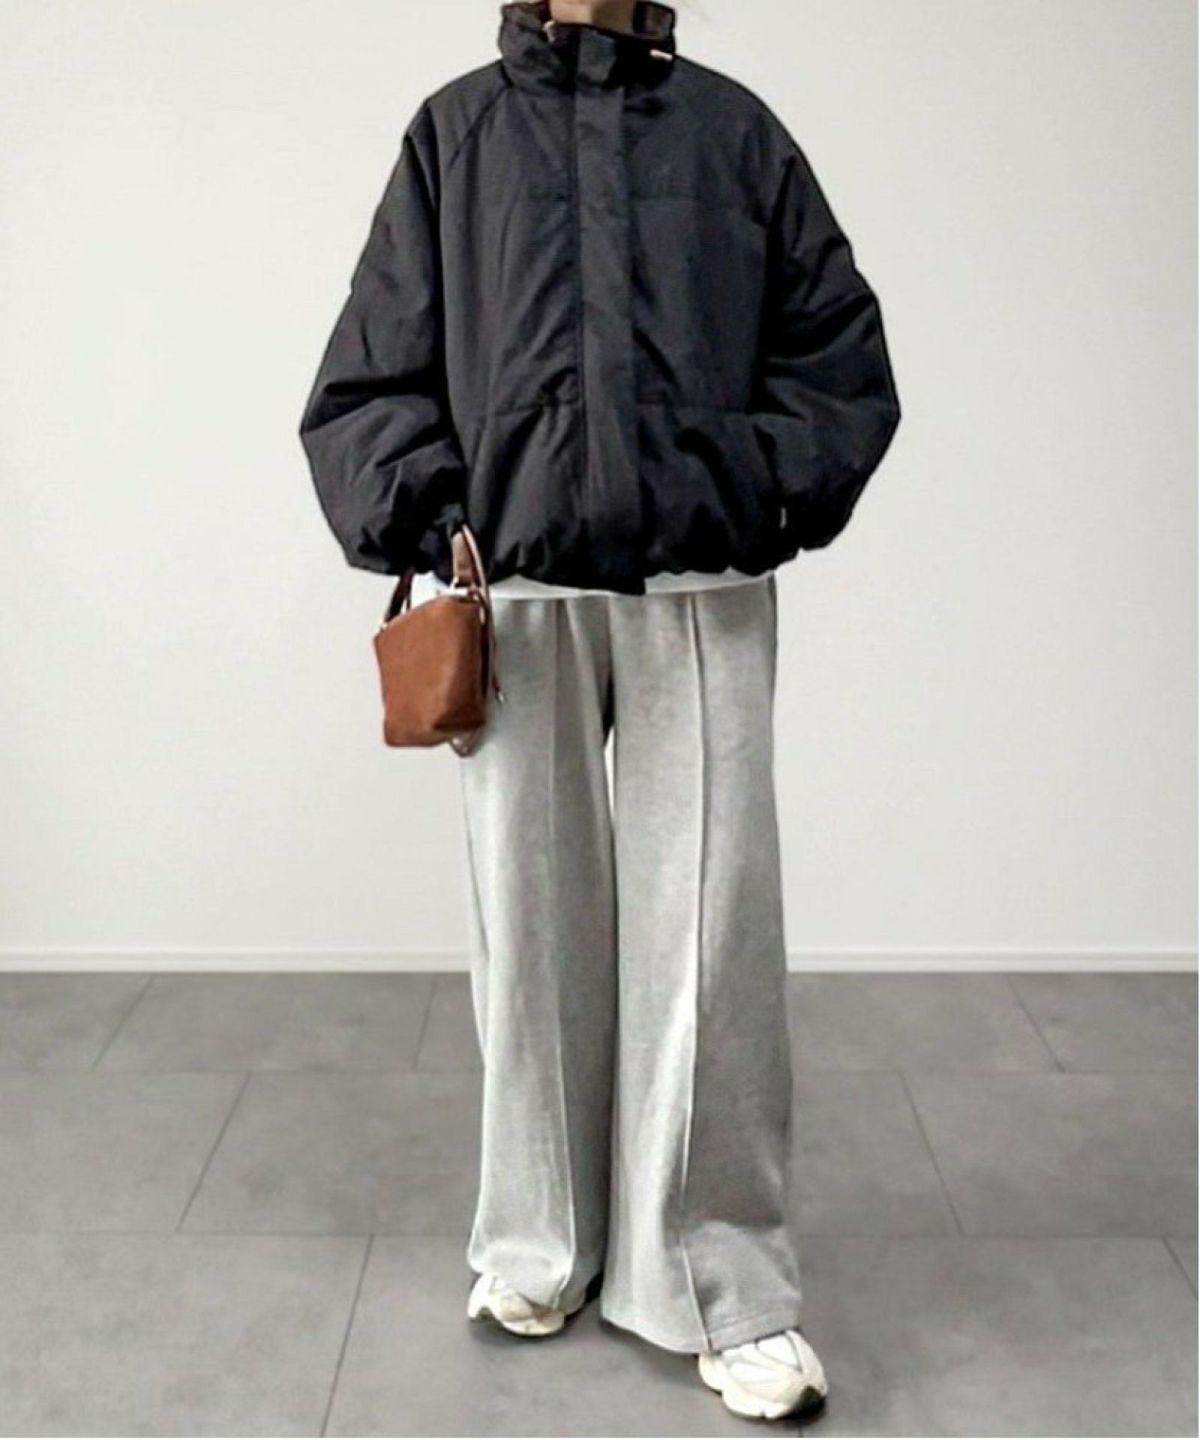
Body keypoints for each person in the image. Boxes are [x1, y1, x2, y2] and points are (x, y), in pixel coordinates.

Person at [298, 0, 900, 1420]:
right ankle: (539, 1244)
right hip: (517, 590)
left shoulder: (732, 133)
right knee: (532, 929)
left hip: (702, 583)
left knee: (711, 939)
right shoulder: (456, 136)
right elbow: (366, 378)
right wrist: (439, 520)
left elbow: (839, 361)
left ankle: (720, 1283)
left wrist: (745, 490)